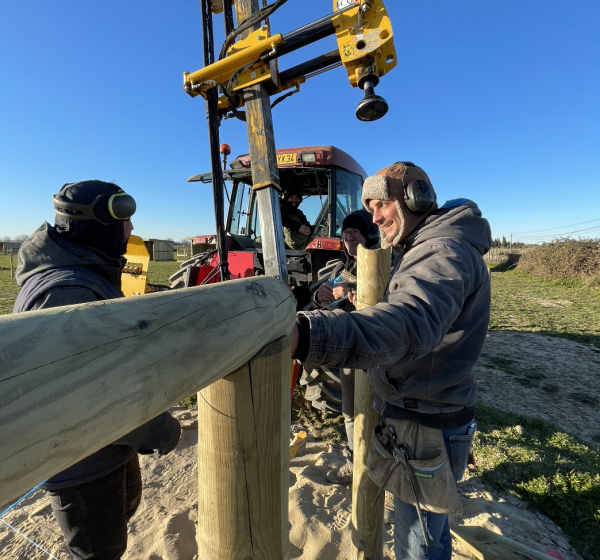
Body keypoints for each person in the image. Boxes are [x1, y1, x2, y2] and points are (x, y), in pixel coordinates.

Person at [290, 162, 492, 560]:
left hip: (425, 426)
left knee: (418, 543)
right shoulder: (419, 248)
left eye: (383, 203)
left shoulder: (442, 252)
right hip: (418, 413)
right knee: (424, 530)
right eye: (369, 206)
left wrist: (308, 334)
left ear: (417, 197)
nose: (375, 216)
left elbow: (408, 322)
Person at [13, 180, 181, 560]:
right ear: (101, 224)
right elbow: (97, 393)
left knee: (117, 525)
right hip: (80, 457)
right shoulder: (69, 291)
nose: (133, 230)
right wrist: (160, 429)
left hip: (106, 443)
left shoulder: (84, 274)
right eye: (127, 221)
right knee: (97, 552)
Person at [308, 209, 378, 484]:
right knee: (351, 411)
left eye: (355, 233)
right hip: (350, 350)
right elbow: (318, 296)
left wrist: (356, 295)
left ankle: (380, 465)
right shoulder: (343, 267)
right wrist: (319, 295)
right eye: (345, 233)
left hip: (377, 351)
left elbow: (388, 304)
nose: (349, 238)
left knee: (379, 412)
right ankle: (355, 464)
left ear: (368, 235)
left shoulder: (384, 263)